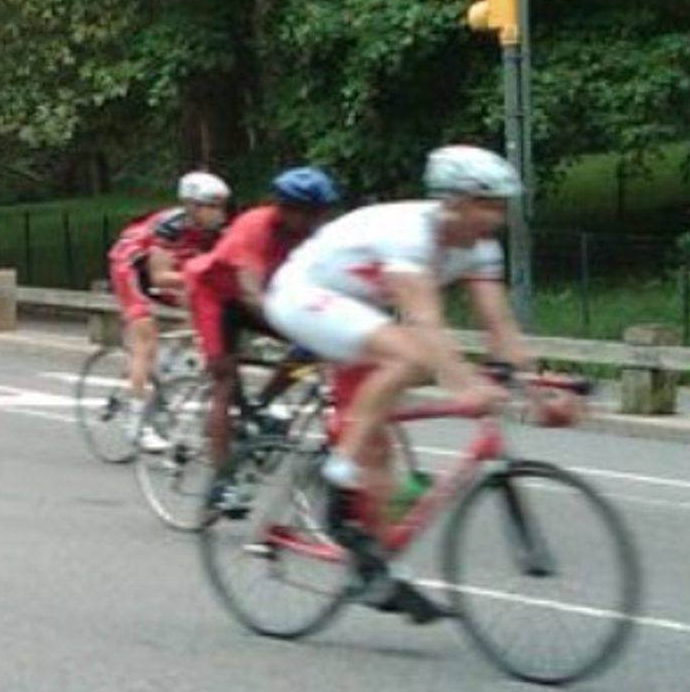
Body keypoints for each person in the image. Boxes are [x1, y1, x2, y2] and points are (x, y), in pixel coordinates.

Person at [264, 144, 574, 624]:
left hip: (358, 313)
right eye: (485, 205)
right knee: (411, 355)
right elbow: (424, 321)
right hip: (303, 295)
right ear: (452, 201)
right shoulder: (408, 234)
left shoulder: (480, 249)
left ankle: (370, 568)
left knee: (382, 455)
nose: (494, 218)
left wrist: (538, 389)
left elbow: (501, 328)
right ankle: (336, 475)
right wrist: (463, 385)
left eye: (500, 207)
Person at [182, 166, 338, 503]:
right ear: (287, 209)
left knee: (310, 348)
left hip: (261, 297)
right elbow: (250, 292)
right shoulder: (255, 226)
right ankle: (221, 483)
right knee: (224, 380)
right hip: (216, 296)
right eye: (310, 213)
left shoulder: (313, 233)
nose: (316, 221)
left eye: (320, 213)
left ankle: (260, 405)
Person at [107, 171, 231, 447]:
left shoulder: (218, 231)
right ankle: (135, 422)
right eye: (211, 206)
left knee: (207, 313)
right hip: (131, 266)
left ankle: (167, 367)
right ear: (191, 206)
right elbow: (160, 277)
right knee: (146, 339)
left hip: (175, 269)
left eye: (221, 205)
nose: (218, 213)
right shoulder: (170, 226)